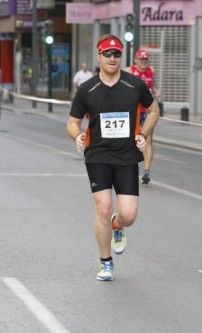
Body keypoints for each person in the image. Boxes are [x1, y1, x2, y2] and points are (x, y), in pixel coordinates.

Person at [66, 34, 160, 281]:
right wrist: (77, 135)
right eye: (107, 54)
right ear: (98, 56)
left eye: (117, 53)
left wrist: (144, 134)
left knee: (128, 215)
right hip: (97, 154)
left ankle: (118, 227)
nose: (112, 58)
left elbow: (153, 110)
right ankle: (105, 262)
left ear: (121, 57)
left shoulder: (135, 85)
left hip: (127, 156)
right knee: (103, 209)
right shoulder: (87, 89)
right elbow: (73, 122)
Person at [126, 49, 161, 185]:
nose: (143, 62)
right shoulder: (129, 70)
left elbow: (155, 87)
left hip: (147, 111)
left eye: (146, 60)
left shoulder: (151, 71)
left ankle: (146, 171)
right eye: (141, 60)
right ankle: (128, 165)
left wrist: (157, 92)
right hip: (133, 110)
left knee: (148, 140)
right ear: (136, 60)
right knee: (130, 139)